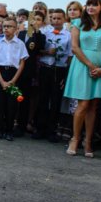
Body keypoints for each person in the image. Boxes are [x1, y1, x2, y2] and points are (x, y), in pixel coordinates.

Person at [63, 0, 101, 157]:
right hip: (82, 66)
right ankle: (75, 139)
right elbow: (75, 48)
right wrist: (92, 66)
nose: (91, 7)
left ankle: (88, 141)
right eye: (88, 5)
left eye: (95, 5)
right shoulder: (78, 24)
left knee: (93, 106)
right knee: (83, 104)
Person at [34, 8, 71, 142]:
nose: (56, 21)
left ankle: (52, 130)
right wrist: (47, 52)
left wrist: (66, 74)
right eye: (53, 18)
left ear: (64, 19)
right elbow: (37, 49)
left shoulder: (68, 35)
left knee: (55, 101)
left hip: (59, 69)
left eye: (59, 18)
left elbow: (70, 55)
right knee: (42, 98)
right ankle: (39, 128)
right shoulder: (45, 32)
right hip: (45, 67)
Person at [0, 18, 28, 141]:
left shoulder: (20, 44)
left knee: (11, 104)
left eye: (10, 26)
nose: (6, 28)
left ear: (16, 29)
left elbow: (22, 63)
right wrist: (1, 81)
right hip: (1, 73)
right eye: (5, 26)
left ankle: (9, 130)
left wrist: (13, 81)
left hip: (13, 73)